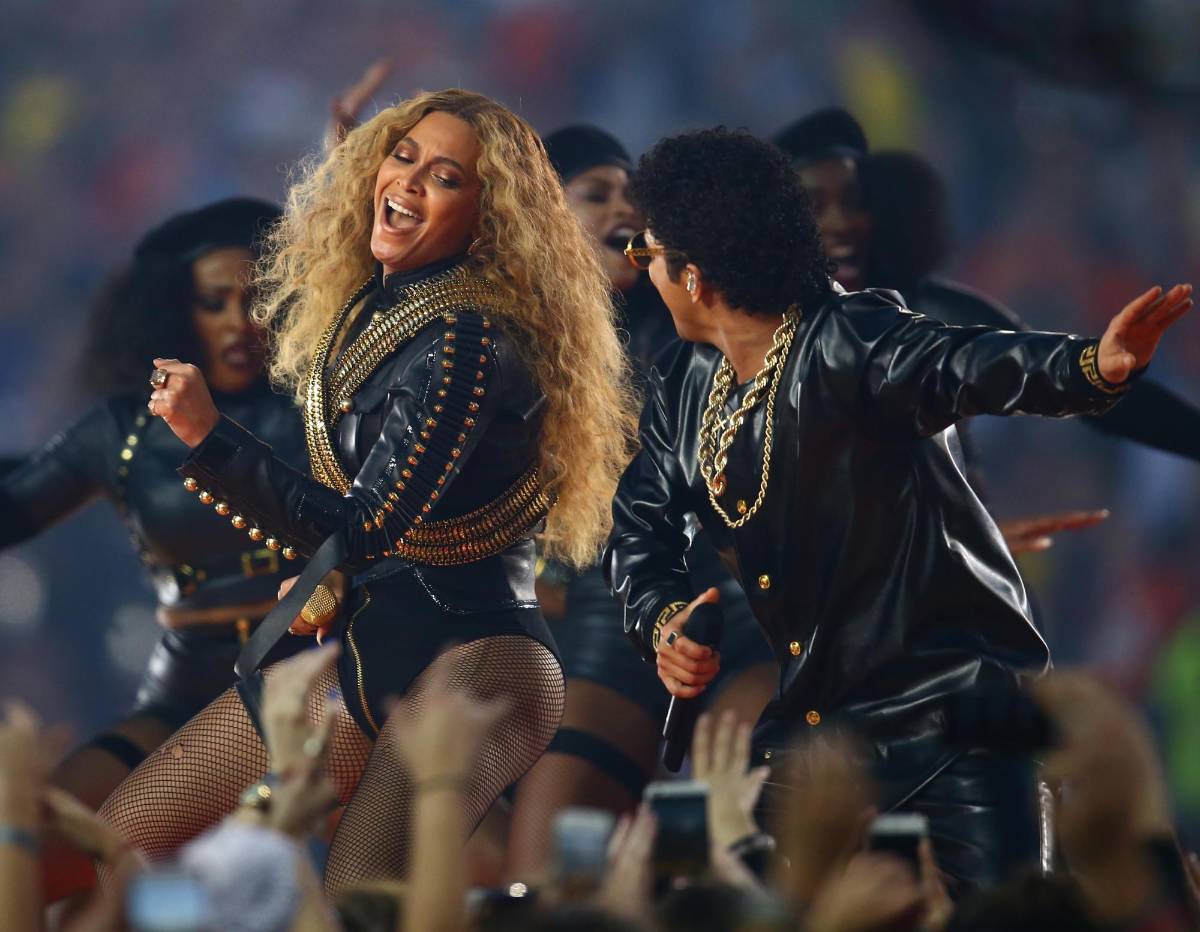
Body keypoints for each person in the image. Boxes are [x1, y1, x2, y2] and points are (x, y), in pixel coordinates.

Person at [603, 126, 1193, 889]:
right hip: (818, 732)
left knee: (1001, 913)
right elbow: (639, 525)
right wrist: (661, 620)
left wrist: (1089, 366)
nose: (640, 268)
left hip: (953, 724)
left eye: (646, 253)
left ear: (694, 276)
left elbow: (965, 362)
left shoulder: (850, 339)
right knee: (740, 895)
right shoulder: (685, 383)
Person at [100, 88, 635, 894]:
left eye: (445, 177)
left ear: (488, 219)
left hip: (478, 660)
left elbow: (366, 528)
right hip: (365, 647)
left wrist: (209, 437)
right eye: (403, 157)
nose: (409, 181)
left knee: (361, 899)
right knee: (117, 842)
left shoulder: (468, 340)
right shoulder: (374, 311)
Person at [0, 198, 310, 897]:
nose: (238, 322)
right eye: (214, 302)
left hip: (315, 684)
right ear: (172, 312)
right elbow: (16, 506)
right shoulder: (126, 431)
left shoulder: (321, 406)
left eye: (255, 299)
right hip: (184, 690)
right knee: (44, 841)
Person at [505, 126, 777, 879]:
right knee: (547, 872)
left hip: (742, 609)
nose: (623, 208)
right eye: (596, 193)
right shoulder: (499, 337)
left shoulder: (702, 313)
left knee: (739, 840)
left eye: (634, 196)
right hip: (615, 620)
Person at [772, 109, 1200, 498]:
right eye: (815, 206)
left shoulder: (929, 317)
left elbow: (1065, 379)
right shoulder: (749, 347)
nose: (842, 223)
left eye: (854, 201)